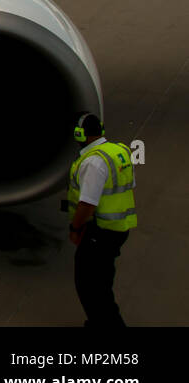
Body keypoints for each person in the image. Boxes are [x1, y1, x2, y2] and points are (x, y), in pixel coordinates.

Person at [67, 113, 137, 327]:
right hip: (118, 226)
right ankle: (98, 322)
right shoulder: (119, 151)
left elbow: (88, 203)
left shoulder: (93, 162)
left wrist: (75, 227)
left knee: (90, 285)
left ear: (79, 134)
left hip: (101, 230)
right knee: (101, 281)